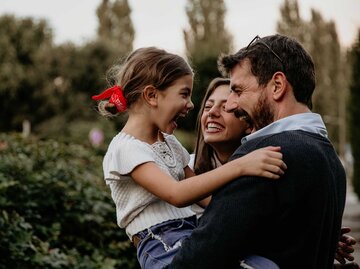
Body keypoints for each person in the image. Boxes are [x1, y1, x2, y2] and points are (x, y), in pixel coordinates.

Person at [92, 47, 287, 269]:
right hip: (162, 245)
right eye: (184, 94)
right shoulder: (125, 149)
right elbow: (176, 193)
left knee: (264, 265)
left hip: (190, 232)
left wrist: (246, 216)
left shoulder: (169, 142)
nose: (192, 105)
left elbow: (206, 198)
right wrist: (242, 166)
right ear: (151, 95)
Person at [168, 34, 347, 269]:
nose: (231, 104)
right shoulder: (332, 161)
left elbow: (196, 260)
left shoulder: (264, 153)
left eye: (238, 91)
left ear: (277, 86)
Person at [191, 77, 358, 268]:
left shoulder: (271, 166)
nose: (212, 113)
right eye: (207, 106)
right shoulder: (183, 170)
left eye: (224, 107)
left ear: (246, 119)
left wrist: (317, 236)